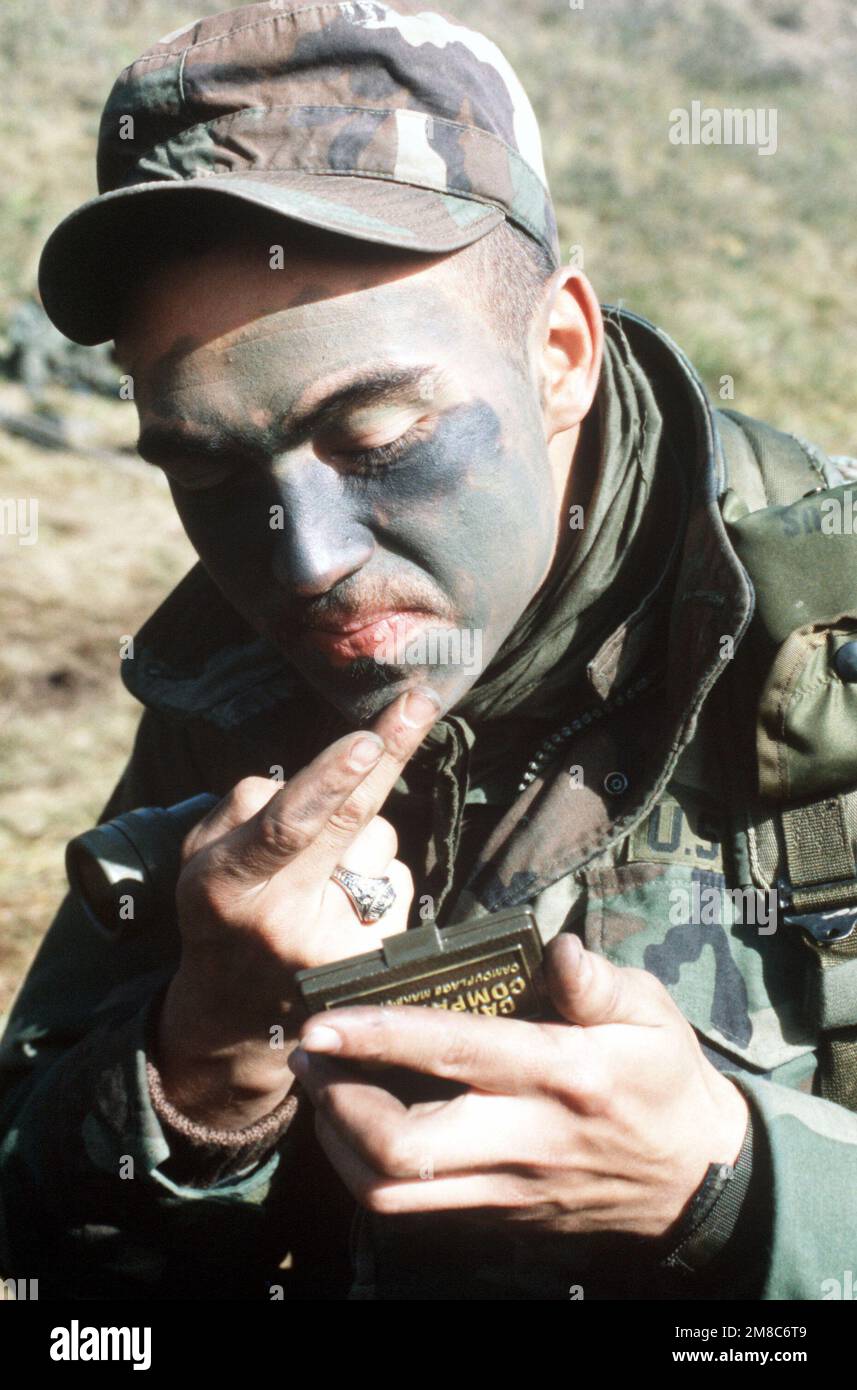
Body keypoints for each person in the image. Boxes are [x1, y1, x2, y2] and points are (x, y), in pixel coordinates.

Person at [2, 0, 856, 1301]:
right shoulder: (228, 671)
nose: (303, 560)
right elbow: (46, 1266)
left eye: (379, 434)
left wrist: (736, 1186)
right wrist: (204, 1061)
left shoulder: (829, 638)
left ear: (558, 353)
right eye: (208, 466)